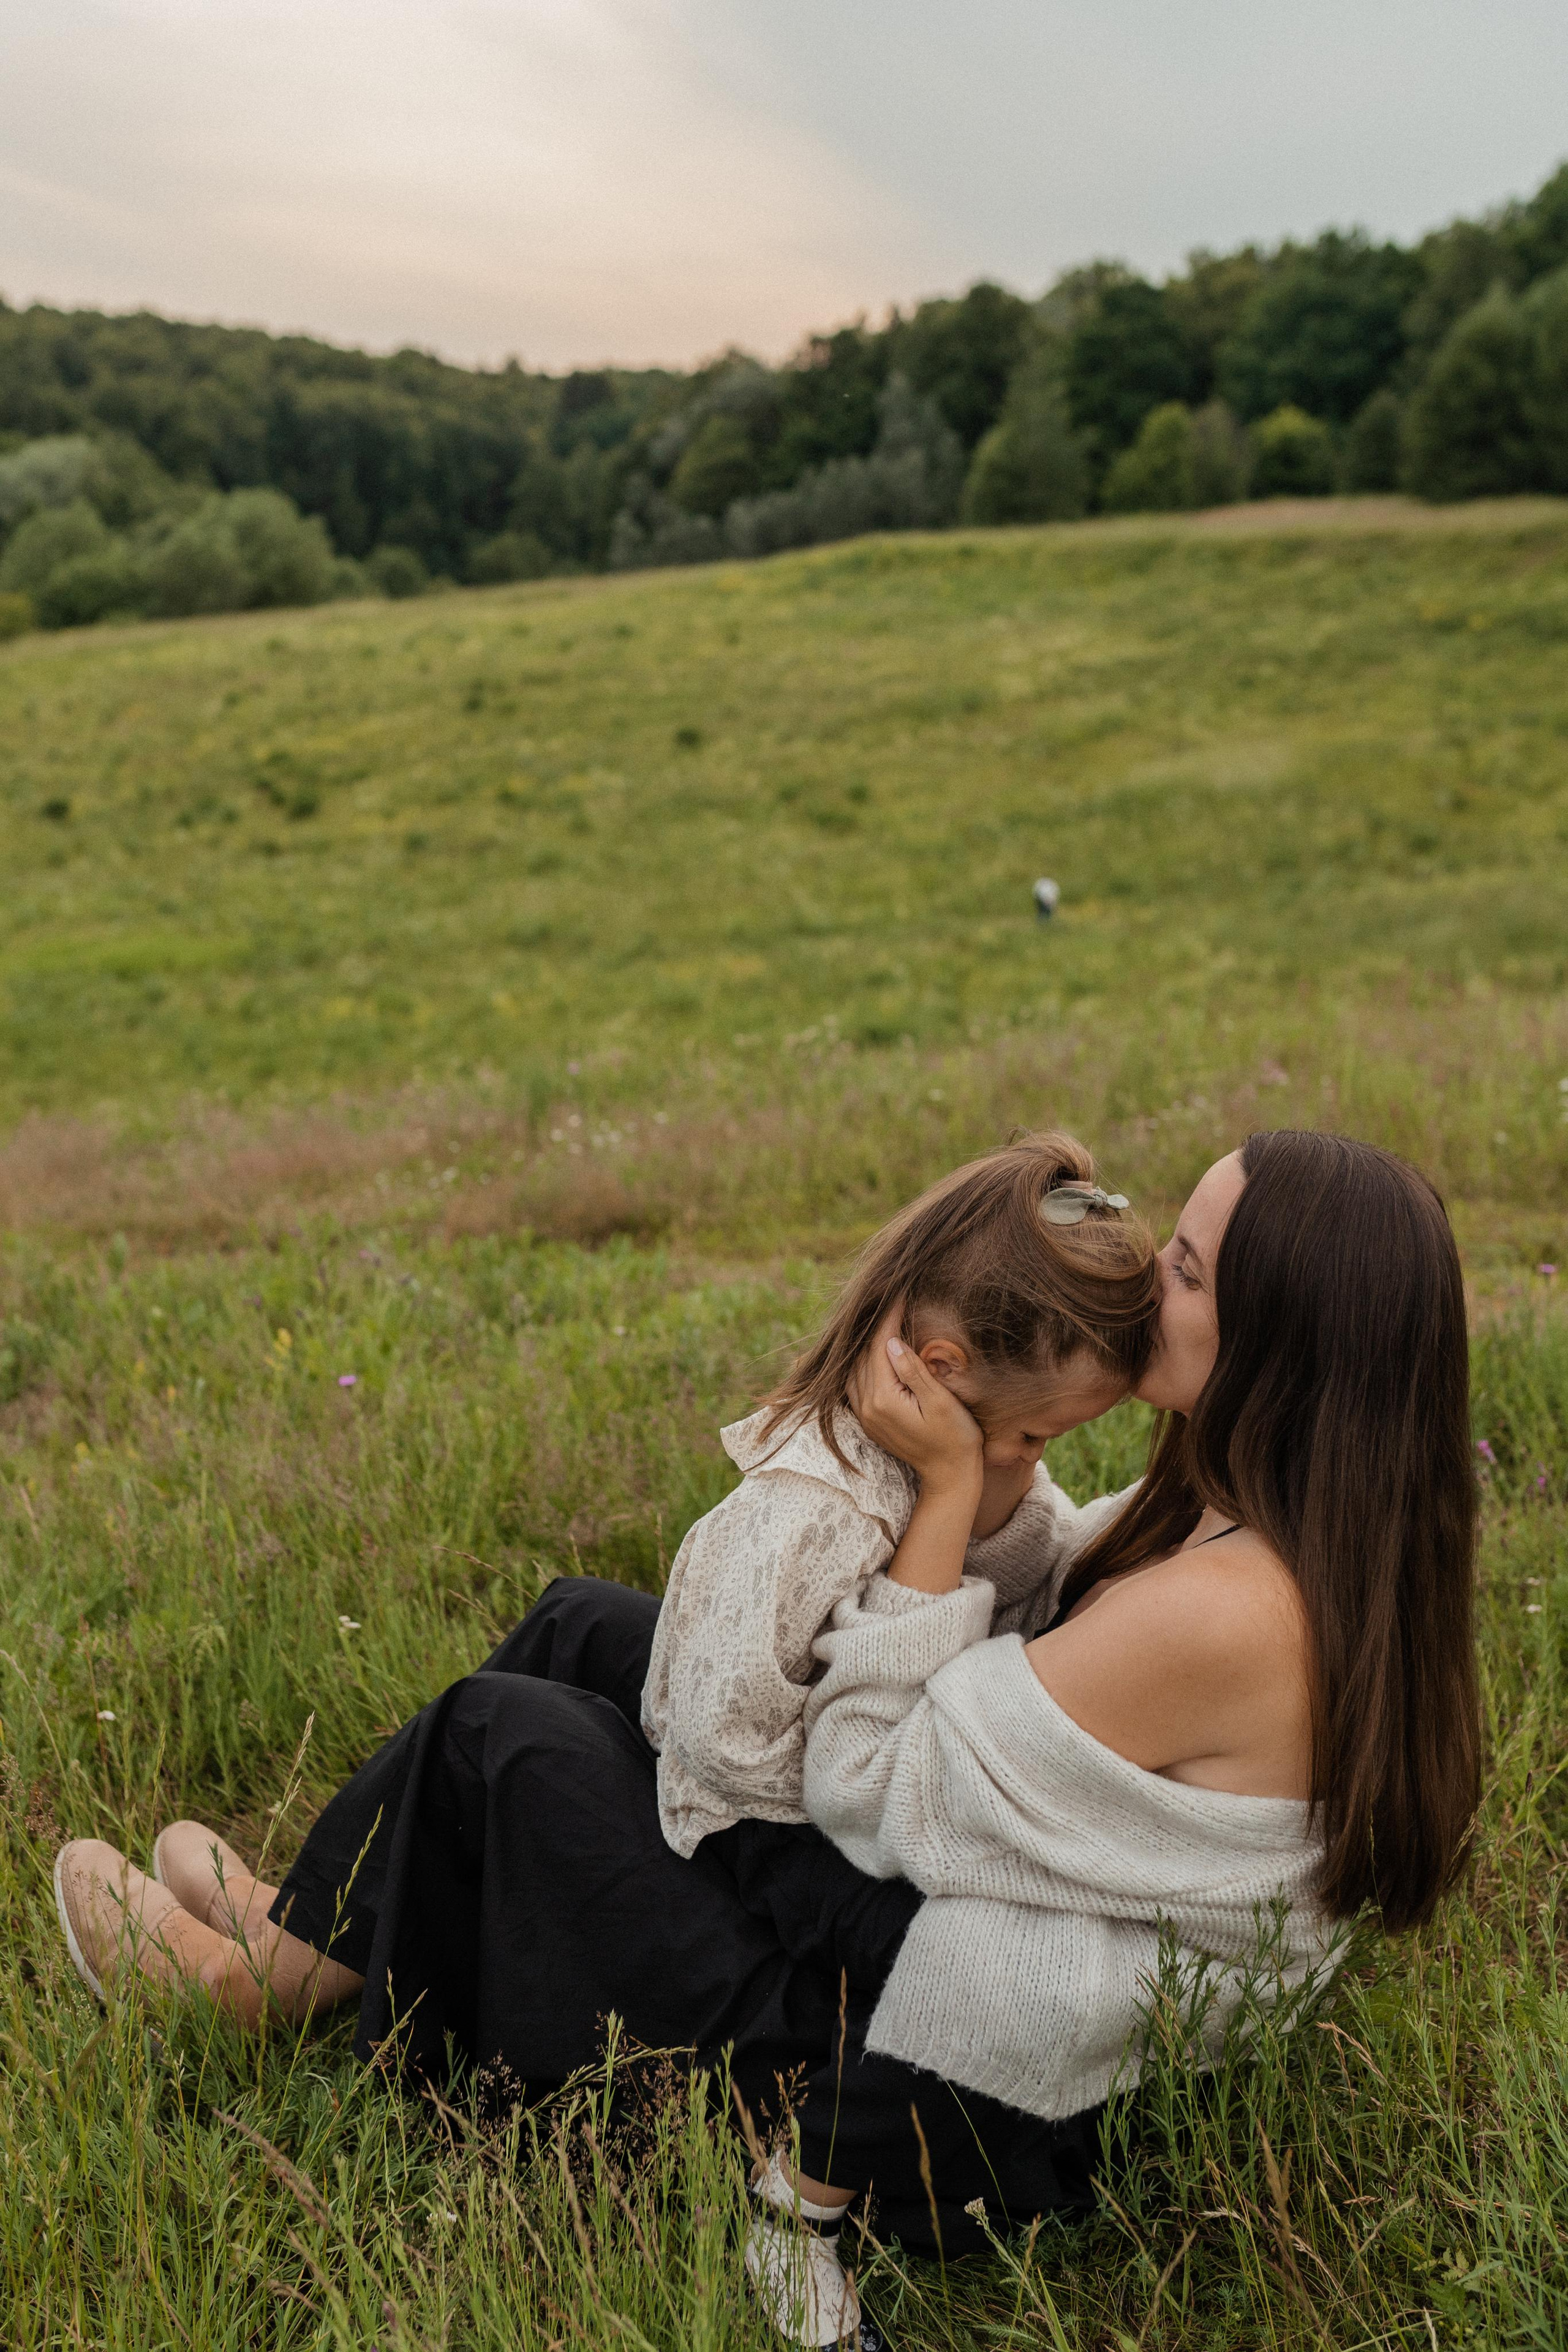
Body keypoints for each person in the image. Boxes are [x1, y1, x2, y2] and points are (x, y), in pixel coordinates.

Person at [53, 1131, 1481, 2351]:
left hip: (938, 2087)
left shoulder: (1221, 1614)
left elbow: (871, 1797)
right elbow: (1034, 1616)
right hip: (951, 1938)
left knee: (518, 1736)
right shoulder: (1299, 1524)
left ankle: (259, 1983)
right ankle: (302, 1941)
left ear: (1274, 1332)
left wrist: (936, 1493)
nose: (1133, 1271)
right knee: (589, 1626)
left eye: (1178, 1263)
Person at [643, 1130, 1158, 1856]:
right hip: (754, 1840)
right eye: (1037, 1436)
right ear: (942, 1370)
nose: (1034, 1459)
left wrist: (979, 1480)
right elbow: (722, 1744)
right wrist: (914, 1752)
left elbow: (1014, 1581)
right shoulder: (813, 1511)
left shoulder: (939, 1456)